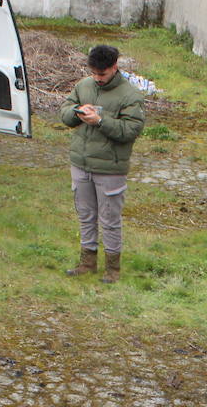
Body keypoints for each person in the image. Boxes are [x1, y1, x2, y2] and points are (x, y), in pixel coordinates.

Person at [60, 44, 146, 283]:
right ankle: (87, 263)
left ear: (115, 67)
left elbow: (130, 131)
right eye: (94, 73)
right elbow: (65, 112)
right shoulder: (83, 86)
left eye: (103, 74)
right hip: (81, 164)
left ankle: (113, 270)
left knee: (110, 220)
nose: (97, 79)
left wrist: (100, 121)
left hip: (110, 169)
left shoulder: (130, 96)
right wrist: (77, 111)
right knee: (86, 216)